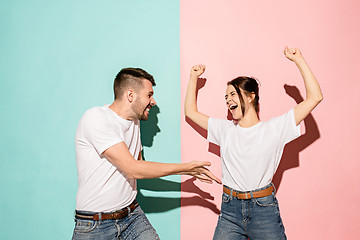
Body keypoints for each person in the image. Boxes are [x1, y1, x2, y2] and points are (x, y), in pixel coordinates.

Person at [184, 47, 323, 239]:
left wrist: (298, 60)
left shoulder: (274, 129)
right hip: (229, 210)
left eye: (233, 94)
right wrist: (193, 78)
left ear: (251, 96)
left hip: (263, 209)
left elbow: (315, 97)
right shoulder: (225, 130)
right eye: (226, 97)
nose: (228, 100)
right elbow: (191, 112)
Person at [72, 67, 221, 240]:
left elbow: (141, 166)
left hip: (131, 215)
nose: (153, 101)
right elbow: (133, 169)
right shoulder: (96, 118)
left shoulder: (134, 121)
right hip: (96, 224)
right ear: (130, 95)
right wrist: (186, 168)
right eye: (149, 95)